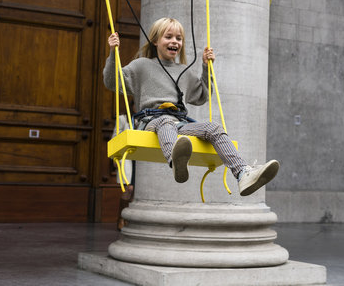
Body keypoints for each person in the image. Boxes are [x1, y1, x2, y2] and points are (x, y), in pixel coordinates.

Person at [103, 17, 279, 196]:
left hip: (179, 124)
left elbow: (202, 95)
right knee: (165, 121)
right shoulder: (142, 66)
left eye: (178, 38)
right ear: (155, 41)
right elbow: (112, 81)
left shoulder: (184, 72)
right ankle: (176, 160)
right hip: (151, 122)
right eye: (168, 37)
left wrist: (205, 67)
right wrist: (113, 53)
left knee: (213, 127)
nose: (174, 41)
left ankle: (243, 173)